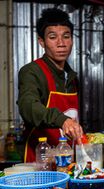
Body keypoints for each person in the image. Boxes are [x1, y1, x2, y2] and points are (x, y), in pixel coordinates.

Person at [18, 8, 83, 163]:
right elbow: (28, 106)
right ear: (42, 42)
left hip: (67, 160)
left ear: (72, 39)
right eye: (53, 37)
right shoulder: (32, 72)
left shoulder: (72, 77)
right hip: (40, 162)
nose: (61, 43)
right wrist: (62, 120)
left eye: (66, 36)